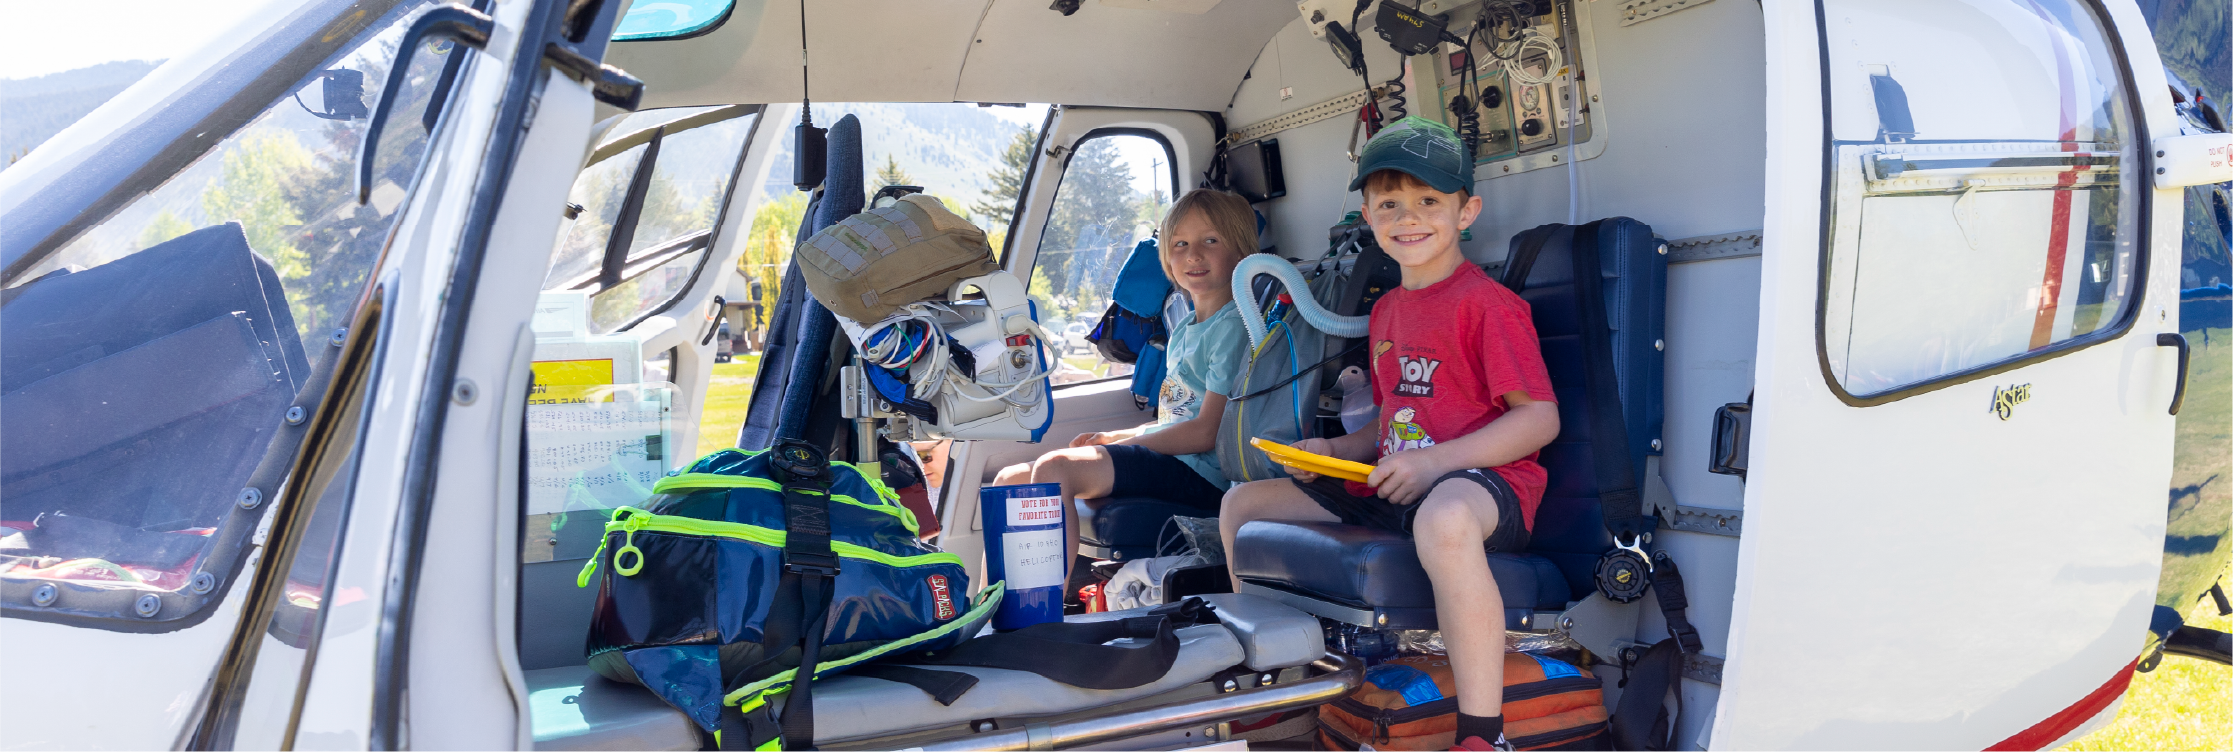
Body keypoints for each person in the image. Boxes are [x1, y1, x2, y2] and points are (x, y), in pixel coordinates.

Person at [1217, 118, 1558, 752]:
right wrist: (1338, 452)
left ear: (1466, 211)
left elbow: (1539, 418)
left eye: (1429, 201)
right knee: (1241, 505)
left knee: (1443, 521)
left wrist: (1435, 465)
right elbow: (1398, 417)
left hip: (1483, 485)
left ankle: (1483, 734)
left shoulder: (1488, 306)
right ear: (1369, 216)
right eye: (1389, 204)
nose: (1409, 217)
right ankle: (1276, 688)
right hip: (1398, 481)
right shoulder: (1388, 311)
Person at [991, 188, 1255, 574]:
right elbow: (1175, 419)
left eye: (1210, 241)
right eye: (1179, 244)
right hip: (1174, 462)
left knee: (1055, 467)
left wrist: (1129, 443)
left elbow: (1203, 433)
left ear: (1243, 251)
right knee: (1009, 478)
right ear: (1166, 258)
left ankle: (1044, 619)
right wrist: (1114, 439)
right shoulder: (1185, 328)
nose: (1193, 255)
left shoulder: (1233, 326)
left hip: (1202, 476)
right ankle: (999, 607)